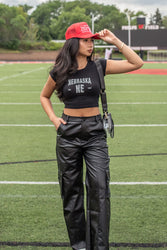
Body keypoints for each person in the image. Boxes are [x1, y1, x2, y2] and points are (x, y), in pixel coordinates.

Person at [40, 22, 143, 250]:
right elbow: (44, 96)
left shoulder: (99, 66)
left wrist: (115, 41)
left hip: (95, 133)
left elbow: (137, 63)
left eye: (92, 39)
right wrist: (54, 120)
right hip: (68, 133)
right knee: (71, 192)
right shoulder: (59, 70)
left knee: (100, 190)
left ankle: (99, 247)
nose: (91, 43)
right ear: (73, 43)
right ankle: (79, 246)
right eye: (86, 40)